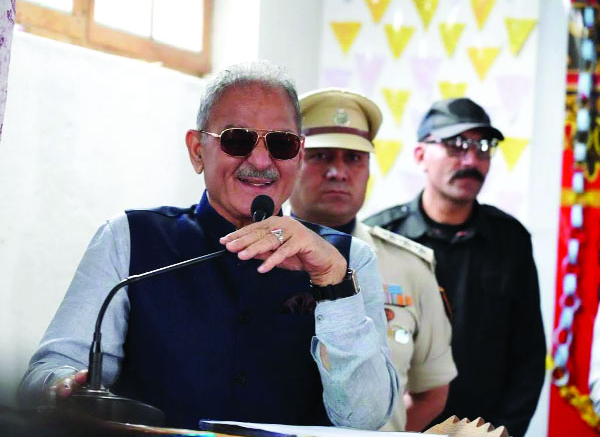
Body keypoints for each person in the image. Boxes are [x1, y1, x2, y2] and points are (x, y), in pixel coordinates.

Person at [18, 61, 399, 430]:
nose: (261, 160)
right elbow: (49, 373)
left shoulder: (346, 260)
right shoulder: (130, 238)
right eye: (237, 139)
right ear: (197, 150)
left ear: (298, 156)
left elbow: (365, 418)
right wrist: (61, 387)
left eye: (280, 144)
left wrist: (332, 285)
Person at [365, 97, 546, 436]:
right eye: (456, 146)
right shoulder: (380, 238)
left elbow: (529, 353)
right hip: (398, 428)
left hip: (484, 429)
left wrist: (504, 431)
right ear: (420, 155)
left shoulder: (510, 240)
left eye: (483, 147)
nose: (471, 160)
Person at [289, 88, 457, 432]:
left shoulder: (410, 267)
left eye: (353, 158)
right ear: (291, 162)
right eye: (321, 156)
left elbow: (431, 391)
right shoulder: (252, 255)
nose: (338, 172)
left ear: (368, 168)